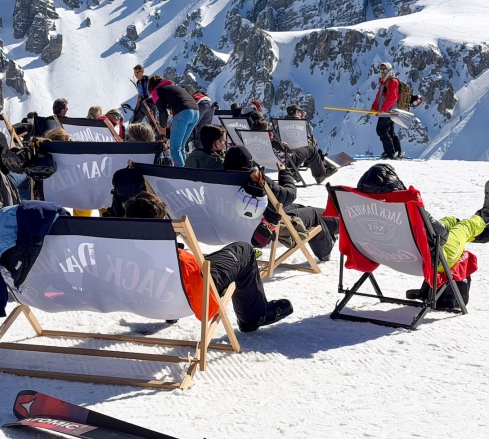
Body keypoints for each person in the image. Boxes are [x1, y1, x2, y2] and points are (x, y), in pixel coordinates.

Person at [123, 191, 293, 333]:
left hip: (147, 297)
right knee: (244, 250)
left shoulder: (117, 252)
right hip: (184, 293)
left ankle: (171, 314)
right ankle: (253, 317)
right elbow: (198, 290)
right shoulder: (180, 260)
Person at [354, 164, 489, 307]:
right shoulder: (407, 207)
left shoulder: (355, 207)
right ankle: (488, 215)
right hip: (432, 260)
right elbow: (442, 235)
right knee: (464, 227)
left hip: (383, 255)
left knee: (451, 220)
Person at [224, 146, 337, 262]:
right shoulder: (255, 181)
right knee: (311, 214)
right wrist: (284, 172)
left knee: (297, 208)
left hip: (229, 231)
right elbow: (290, 194)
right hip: (268, 232)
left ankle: (338, 222)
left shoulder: (216, 181)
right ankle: (325, 250)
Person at [252, 118, 337, 185]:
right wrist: (284, 146)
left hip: (266, 162)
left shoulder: (252, 142)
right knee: (311, 150)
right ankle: (320, 175)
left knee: (306, 150)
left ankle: (295, 173)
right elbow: (288, 152)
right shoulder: (271, 142)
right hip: (287, 160)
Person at [147, 76, 199, 167]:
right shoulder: (173, 87)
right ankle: (186, 171)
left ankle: (180, 173)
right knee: (181, 146)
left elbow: (163, 113)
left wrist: (162, 128)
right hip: (195, 112)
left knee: (174, 148)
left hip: (183, 114)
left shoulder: (156, 91)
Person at [372, 62, 402, 159]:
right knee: (390, 131)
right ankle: (397, 152)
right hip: (387, 111)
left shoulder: (392, 81)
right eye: (381, 70)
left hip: (388, 112)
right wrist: (374, 108)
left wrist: (382, 109)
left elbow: (392, 98)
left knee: (382, 130)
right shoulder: (383, 82)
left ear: (389, 71)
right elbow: (378, 97)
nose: (383, 73)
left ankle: (390, 153)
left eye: (385, 70)